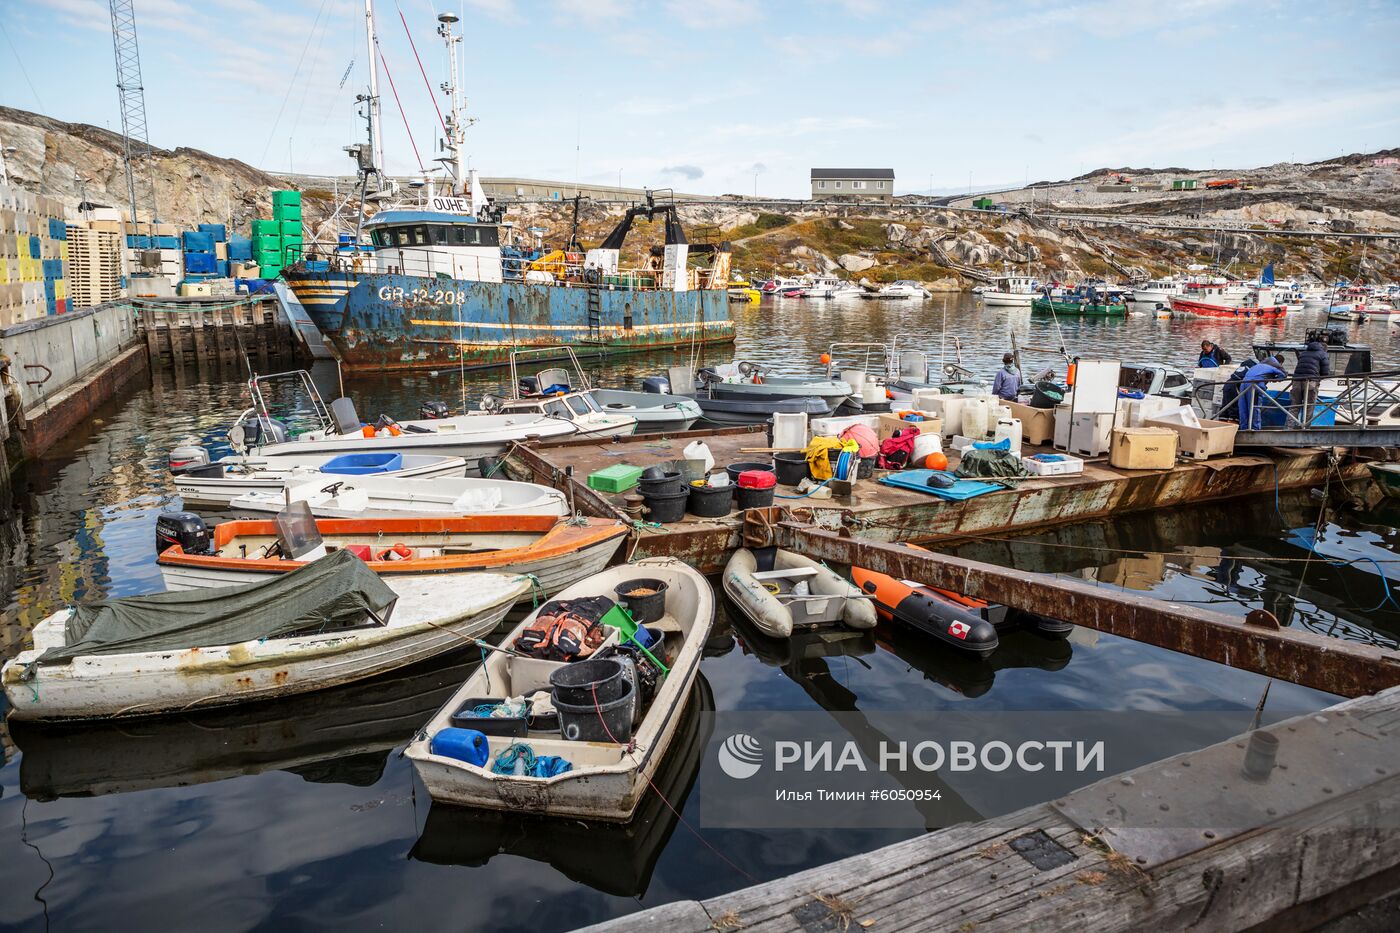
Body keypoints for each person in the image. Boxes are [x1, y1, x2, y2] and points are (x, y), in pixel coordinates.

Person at [1238, 356, 1287, 429]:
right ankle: (1256, 428)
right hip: (1255, 384)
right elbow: (1283, 375)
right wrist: (1275, 379)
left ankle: (1244, 428)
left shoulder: (1258, 365)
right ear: (1280, 363)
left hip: (1244, 382)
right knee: (1255, 407)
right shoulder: (1273, 368)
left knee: (1243, 407)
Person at [1290, 339, 1330, 424]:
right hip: (1310, 382)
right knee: (1309, 406)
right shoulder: (1323, 354)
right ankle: (1305, 426)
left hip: (1296, 381)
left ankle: (1289, 427)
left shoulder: (1303, 354)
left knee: (1294, 405)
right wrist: (1318, 378)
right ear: (1325, 349)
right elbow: (1325, 372)